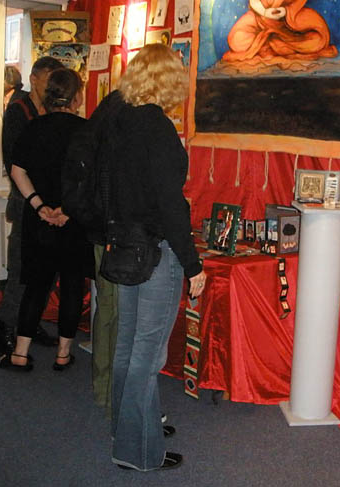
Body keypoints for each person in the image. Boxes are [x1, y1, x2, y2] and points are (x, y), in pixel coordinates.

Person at [100, 43, 206, 472]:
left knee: (128, 347)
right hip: (157, 252)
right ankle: (137, 452)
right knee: (147, 354)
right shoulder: (157, 127)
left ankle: (126, 429)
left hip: (126, 246)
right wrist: (193, 263)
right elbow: (170, 204)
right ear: (168, 80)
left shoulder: (119, 121)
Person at [0, 68, 93, 372]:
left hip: (39, 220)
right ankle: (63, 354)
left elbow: (17, 171)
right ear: (77, 97)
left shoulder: (33, 128)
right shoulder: (87, 131)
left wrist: (40, 206)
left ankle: (20, 353)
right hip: (73, 221)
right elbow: (91, 180)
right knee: (72, 286)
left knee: (36, 285)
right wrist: (67, 209)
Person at [0, 56, 63, 357]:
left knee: (47, 271)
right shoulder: (18, 111)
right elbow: (14, 160)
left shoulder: (52, 110)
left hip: (50, 201)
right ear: (34, 79)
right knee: (21, 270)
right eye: (49, 79)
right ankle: (7, 330)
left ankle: (30, 323)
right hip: (26, 202)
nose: (52, 86)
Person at [223, 0, 337, 65]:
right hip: (261, 18)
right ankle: (272, 43)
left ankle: (275, 43)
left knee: (319, 38)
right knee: (236, 40)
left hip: (292, 19)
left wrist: (286, 11)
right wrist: (264, 12)